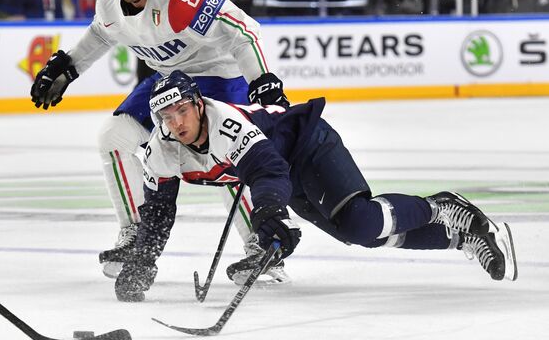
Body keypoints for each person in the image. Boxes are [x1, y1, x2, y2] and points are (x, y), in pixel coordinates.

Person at [113, 71, 518, 302]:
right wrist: (143, 261)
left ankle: (440, 206)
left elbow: (267, 171)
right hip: (285, 170)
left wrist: (270, 217)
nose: (176, 122)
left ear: (198, 104)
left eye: (182, 109)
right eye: (166, 116)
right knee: (361, 235)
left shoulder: (227, 125)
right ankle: (458, 236)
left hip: (307, 145)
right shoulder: (160, 151)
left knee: (361, 221)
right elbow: (159, 211)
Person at [29, 0, 290, 285]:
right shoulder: (109, 0)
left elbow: (241, 29)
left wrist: (261, 79)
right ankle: (136, 234)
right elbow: (102, 33)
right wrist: (68, 65)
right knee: (113, 137)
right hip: (169, 78)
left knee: (231, 157)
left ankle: (261, 246)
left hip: (219, 74)